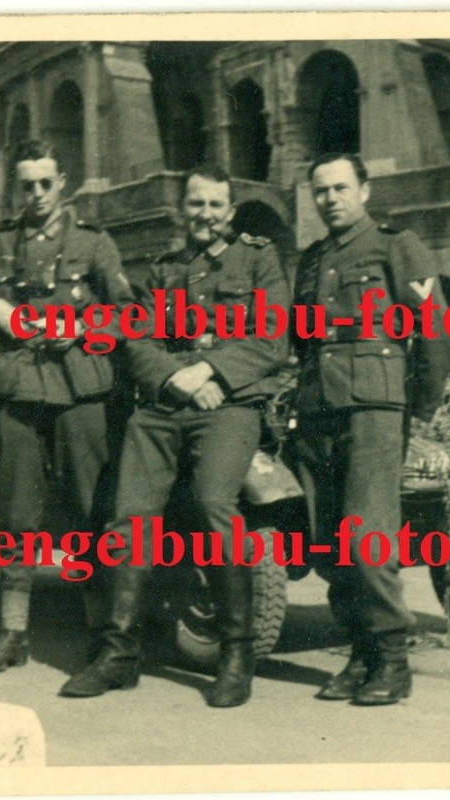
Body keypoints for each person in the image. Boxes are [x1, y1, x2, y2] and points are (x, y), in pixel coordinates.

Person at [60, 165, 290, 708]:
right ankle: (119, 654)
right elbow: (135, 337)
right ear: (182, 210)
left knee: (215, 504)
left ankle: (237, 653)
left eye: (215, 205)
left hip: (229, 403)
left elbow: (272, 338)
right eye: (196, 205)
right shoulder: (164, 269)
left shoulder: (258, 259)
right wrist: (173, 379)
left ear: (230, 211)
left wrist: (207, 373)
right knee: (130, 514)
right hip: (167, 405)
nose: (205, 215)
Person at [0, 140, 133, 675]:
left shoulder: (94, 243)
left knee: (91, 511)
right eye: (28, 185)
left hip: (78, 390)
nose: (38, 194)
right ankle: (13, 633)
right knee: (18, 514)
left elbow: (127, 316)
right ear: (16, 187)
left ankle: (101, 634)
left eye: (46, 183)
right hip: (16, 388)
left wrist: (80, 326)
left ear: (62, 181)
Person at [290, 152, 450, 706]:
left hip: (374, 409)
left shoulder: (395, 246)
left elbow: (433, 328)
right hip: (317, 410)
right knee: (331, 543)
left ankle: (391, 658)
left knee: (367, 537)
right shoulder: (310, 260)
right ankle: (360, 653)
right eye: (321, 191)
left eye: (340, 188)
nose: (330, 199)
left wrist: (422, 404)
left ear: (364, 190)